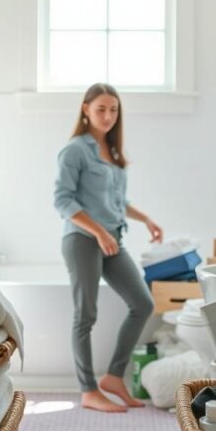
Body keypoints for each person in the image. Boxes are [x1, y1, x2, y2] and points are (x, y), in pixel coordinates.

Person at [54, 82, 164, 412]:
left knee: (142, 303)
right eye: (101, 109)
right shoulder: (75, 150)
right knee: (85, 314)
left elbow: (118, 202)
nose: (108, 116)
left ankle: (114, 377)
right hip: (82, 240)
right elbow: (62, 200)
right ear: (85, 110)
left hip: (112, 239)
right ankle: (88, 390)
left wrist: (146, 219)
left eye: (113, 110)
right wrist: (99, 232)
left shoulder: (114, 153)